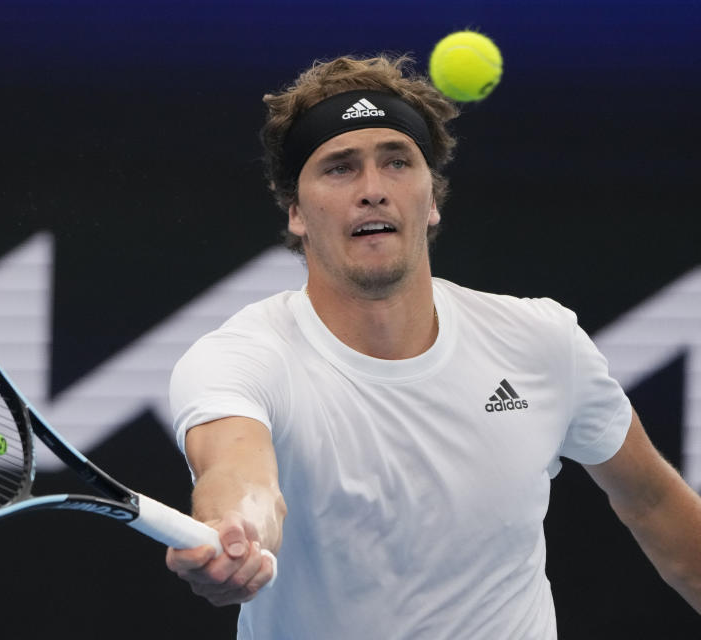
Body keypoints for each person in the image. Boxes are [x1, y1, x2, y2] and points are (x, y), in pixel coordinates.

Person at [164, 54, 701, 638]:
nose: (373, 190)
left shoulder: (543, 342)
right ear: (296, 210)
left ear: (432, 197)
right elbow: (239, 477)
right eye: (340, 168)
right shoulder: (240, 358)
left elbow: (652, 502)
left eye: (397, 162)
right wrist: (239, 528)